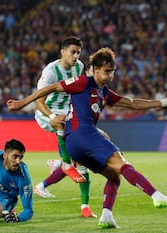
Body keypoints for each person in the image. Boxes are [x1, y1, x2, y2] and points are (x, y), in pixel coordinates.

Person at [7, 47, 167, 229]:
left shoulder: (105, 92)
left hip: (77, 144)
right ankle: (156, 197)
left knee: (114, 176)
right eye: (107, 71)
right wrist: (22, 103)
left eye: (112, 72)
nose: (110, 75)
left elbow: (131, 103)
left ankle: (106, 216)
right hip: (83, 134)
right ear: (95, 69)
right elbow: (51, 87)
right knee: (122, 163)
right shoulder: (83, 82)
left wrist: (163, 102)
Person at [33, 40, 101, 217]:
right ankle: (64, 162)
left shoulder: (79, 66)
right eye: (73, 52)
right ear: (62, 52)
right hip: (47, 113)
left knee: (83, 154)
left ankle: (84, 207)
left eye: (78, 52)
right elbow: (38, 101)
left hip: (68, 112)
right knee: (63, 125)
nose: (76, 56)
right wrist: (51, 116)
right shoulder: (50, 72)